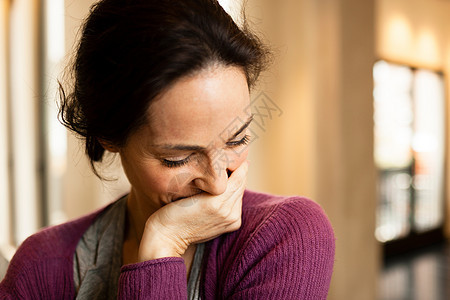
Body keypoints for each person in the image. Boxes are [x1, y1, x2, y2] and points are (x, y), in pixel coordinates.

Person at [0, 0, 335, 298]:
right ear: (109, 136)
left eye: (236, 140)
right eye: (178, 158)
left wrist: (163, 244)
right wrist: (162, 247)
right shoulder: (41, 267)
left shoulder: (284, 237)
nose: (218, 184)